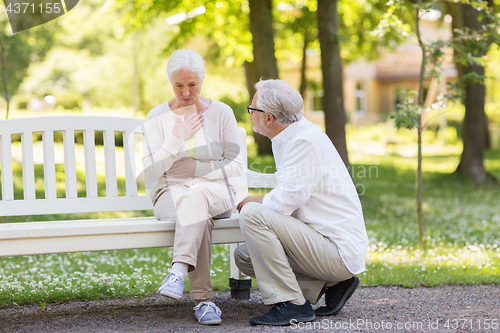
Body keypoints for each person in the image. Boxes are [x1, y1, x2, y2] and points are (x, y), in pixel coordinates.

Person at [235, 79, 368, 326]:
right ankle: (334, 284)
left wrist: (256, 200)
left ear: (268, 118)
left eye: (252, 109)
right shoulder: (292, 136)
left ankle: (293, 304)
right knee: (244, 256)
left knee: (253, 213)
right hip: (323, 243)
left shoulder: (303, 141)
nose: (250, 113)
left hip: (335, 250)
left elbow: (287, 201)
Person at [142, 49, 245, 325]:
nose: (186, 92)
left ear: (202, 80)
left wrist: (196, 169)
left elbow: (236, 167)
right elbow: (151, 173)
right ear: (170, 82)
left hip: (216, 193)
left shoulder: (222, 113)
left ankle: (177, 271)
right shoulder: (157, 116)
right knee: (198, 212)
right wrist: (176, 139)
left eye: (192, 85)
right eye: (179, 86)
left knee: (198, 194)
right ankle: (203, 301)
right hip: (170, 194)